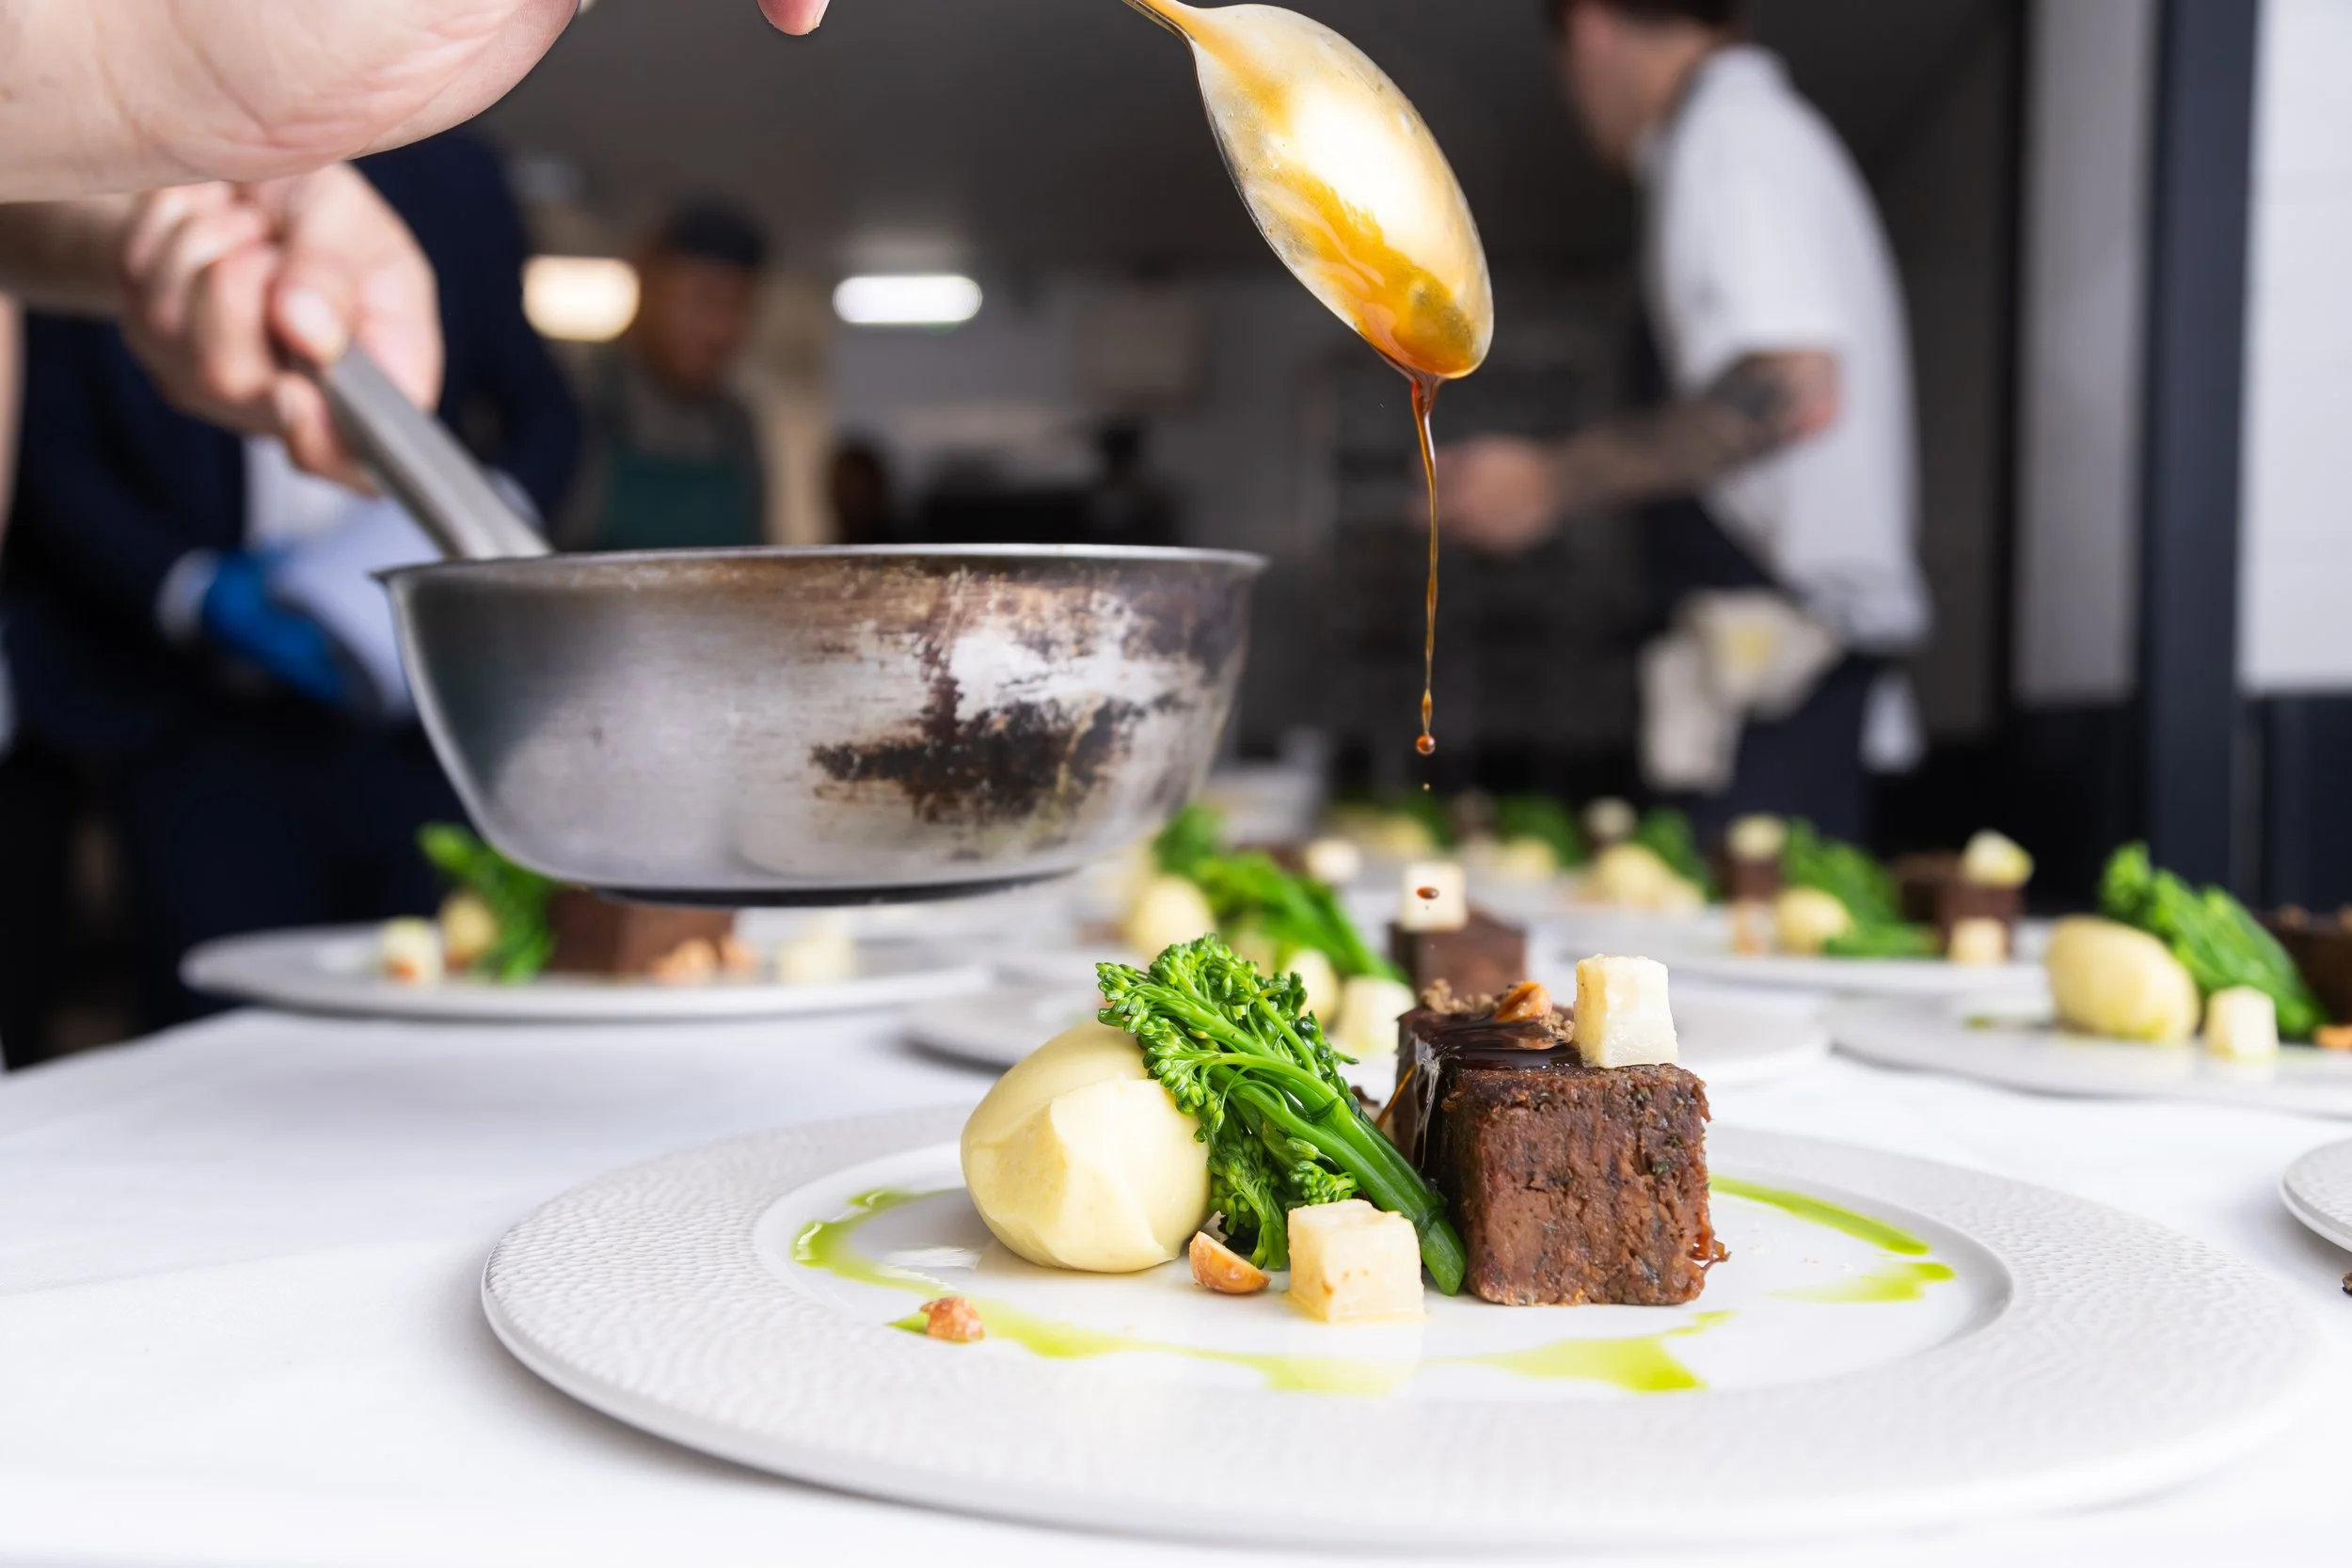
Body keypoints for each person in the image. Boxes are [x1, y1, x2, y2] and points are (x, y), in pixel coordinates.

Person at [3, 135, 581, 1032]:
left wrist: (482, 527)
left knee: (430, 1006)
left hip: (403, 719)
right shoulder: (117, 143)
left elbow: (542, 409)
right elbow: (57, 448)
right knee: (211, 1017)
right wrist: (190, 590)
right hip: (195, 708)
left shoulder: (456, 173)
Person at [1438, 0, 1929, 842]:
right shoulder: (1745, 133)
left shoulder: (1730, 140)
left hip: (1780, 672)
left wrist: (1550, 480)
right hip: (1768, 666)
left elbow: (1794, 385)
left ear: (1589, 26)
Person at [563, 203, 772, 552]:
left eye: (739, 306)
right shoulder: (579, 408)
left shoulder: (735, 429)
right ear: (649, 286)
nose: (720, 330)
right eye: (704, 298)